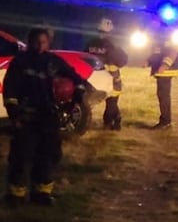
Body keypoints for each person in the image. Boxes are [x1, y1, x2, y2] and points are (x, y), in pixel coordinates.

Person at [3, 28, 87, 207]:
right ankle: (16, 194)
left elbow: (77, 78)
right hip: (26, 116)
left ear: (48, 44)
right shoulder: (21, 62)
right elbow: (10, 88)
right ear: (30, 41)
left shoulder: (53, 62)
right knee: (21, 156)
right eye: (36, 42)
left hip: (48, 116)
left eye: (44, 42)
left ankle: (42, 193)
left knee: (48, 155)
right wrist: (14, 111)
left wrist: (77, 96)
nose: (40, 46)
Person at [85, 18, 128, 130]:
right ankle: (113, 121)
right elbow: (122, 61)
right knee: (111, 102)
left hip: (98, 79)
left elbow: (84, 57)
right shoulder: (112, 45)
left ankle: (112, 121)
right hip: (110, 79)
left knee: (110, 103)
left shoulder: (91, 43)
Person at [146, 25, 178, 129]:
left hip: (166, 71)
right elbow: (155, 54)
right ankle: (165, 120)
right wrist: (148, 61)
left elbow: (173, 53)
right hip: (162, 71)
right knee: (162, 95)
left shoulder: (168, 36)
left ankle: (165, 122)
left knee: (164, 96)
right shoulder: (159, 37)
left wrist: (165, 65)